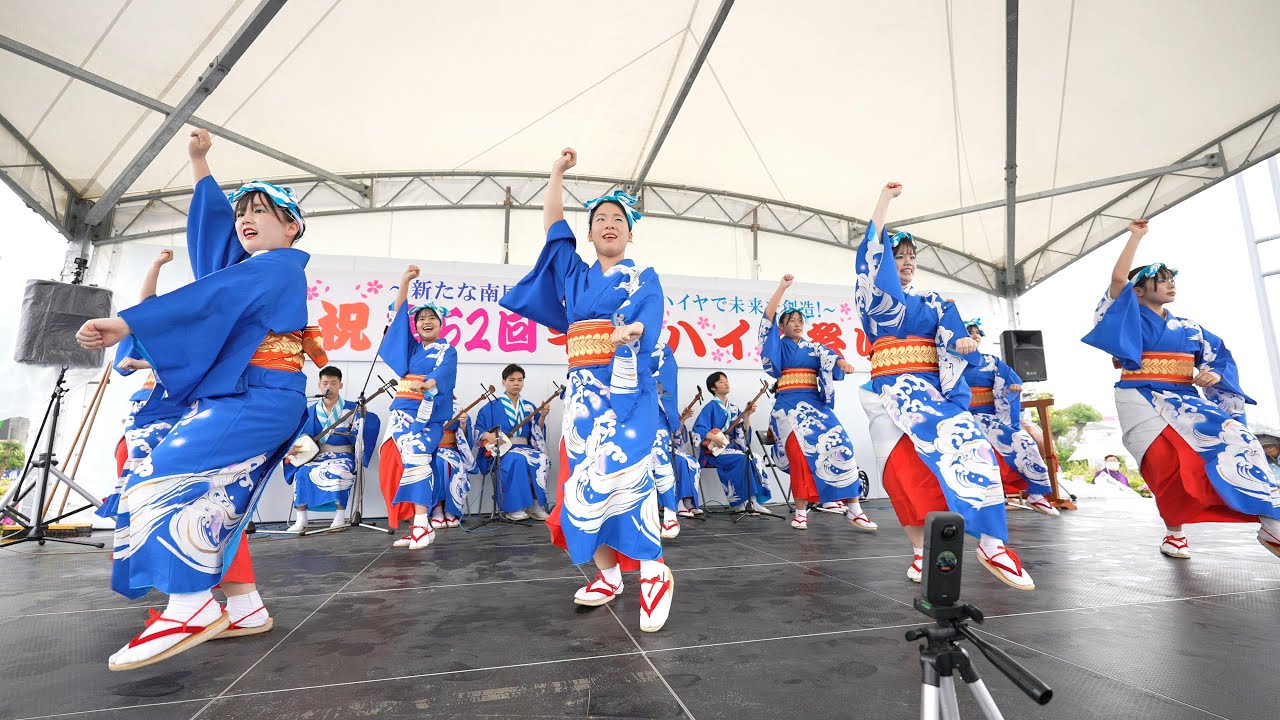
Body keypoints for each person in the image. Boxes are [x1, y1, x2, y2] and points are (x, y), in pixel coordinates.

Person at [74, 128, 322, 669]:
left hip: (256, 397)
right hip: (247, 395)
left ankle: (189, 606)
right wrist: (198, 162)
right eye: (241, 214)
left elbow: (213, 294)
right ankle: (246, 606)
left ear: (292, 226)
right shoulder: (252, 265)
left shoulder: (277, 266)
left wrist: (126, 323)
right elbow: (216, 245)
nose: (244, 219)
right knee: (215, 496)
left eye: (261, 211)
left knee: (160, 477)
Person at [499, 147, 673, 632]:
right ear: (591, 231)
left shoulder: (643, 277)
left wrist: (631, 336)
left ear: (631, 231)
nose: (609, 224)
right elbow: (555, 230)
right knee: (579, 483)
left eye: (618, 219)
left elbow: (649, 319)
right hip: (582, 396)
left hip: (626, 389)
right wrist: (555, 173)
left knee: (625, 477)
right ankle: (610, 575)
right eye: (600, 219)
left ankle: (655, 573)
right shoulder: (576, 274)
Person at [856, 181, 1035, 590]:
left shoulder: (936, 302)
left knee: (968, 443)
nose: (906, 262)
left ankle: (992, 543)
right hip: (887, 391)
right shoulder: (874, 300)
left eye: (911, 257)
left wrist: (962, 342)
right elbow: (869, 251)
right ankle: (920, 553)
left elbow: (954, 340)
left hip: (928, 392)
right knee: (900, 473)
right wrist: (883, 200)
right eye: (897, 256)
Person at [1082, 219, 1280, 560]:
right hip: (1140, 393)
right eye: (1161, 280)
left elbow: (1219, 360)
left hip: (1186, 400)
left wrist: (1213, 376)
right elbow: (1118, 281)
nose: (1170, 285)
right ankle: (1174, 532)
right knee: (1164, 464)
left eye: (1172, 279)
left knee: (1240, 440)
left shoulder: (1190, 328)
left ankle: (1270, 521)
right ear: (1139, 291)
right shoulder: (1128, 316)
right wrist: (1136, 237)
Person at [759, 276, 876, 532]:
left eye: (801, 321)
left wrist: (841, 363)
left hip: (815, 405)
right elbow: (766, 322)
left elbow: (830, 357)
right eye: (792, 321)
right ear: (782, 326)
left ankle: (854, 506)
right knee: (800, 456)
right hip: (788, 407)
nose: (798, 325)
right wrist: (781, 289)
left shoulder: (815, 347)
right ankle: (801, 511)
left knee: (842, 444)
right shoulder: (777, 345)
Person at [378, 265, 458, 551]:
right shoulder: (411, 349)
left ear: (441, 323)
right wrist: (404, 282)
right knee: (394, 463)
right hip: (401, 413)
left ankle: (423, 524)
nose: (426, 321)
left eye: (431, 317)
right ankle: (415, 526)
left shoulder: (447, 349)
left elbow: (446, 373)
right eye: (421, 318)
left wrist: (429, 383)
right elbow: (399, 317)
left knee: (416, 456)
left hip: (427, 415)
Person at [960, 318, 1059, 516]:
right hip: (962, 416)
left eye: (977, 332)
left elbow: (1011, 381)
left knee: (1024, 442)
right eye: (969, 332)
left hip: (991, 417)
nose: (975, 336)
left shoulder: (991, 361)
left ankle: (1037, 494)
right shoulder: (948, 364)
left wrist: (1011, 390)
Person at [282, 366, 380, 533]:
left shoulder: (353, 408)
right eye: (325, 382)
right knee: (302, 472)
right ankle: (301, 519)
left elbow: (369, 425)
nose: (329, 386)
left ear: (340, 385)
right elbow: (300, 436)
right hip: (318, 455)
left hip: (343, 454)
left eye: (333, 383)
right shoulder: (310, 411)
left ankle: (339, 517)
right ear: (319, 385)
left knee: (339, 471)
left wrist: (363, 417)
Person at [475, 364, 551, 521]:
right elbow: (478, 431)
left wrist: (542, 415)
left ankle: (535, 504)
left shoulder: (529, 407)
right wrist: (487, 435)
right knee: (517, 459)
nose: (516, 383)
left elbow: (537, 431)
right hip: (503, 450)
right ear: (503, 382)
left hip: (525, 446)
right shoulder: (490, 407)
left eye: (520, 380)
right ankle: (514, 507)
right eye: (512, 380)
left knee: (541, 458)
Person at [692, 372, 774, 516]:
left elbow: (743, 433)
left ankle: (752, 501)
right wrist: (715, 438)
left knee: (754, 458)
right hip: (714, 453)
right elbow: (698, 429)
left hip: (729, 449)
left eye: (726, 380)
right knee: (742, 459)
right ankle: (747, 501)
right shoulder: (710, 407)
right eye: (721, 382)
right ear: (713, 388)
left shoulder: (734, 409)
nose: (726, 383)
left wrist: (747, 416)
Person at [651, 344, 694, 538]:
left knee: (659, 455)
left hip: (651, 405)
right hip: (619, 407)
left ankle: (670, 510)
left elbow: (667, 376)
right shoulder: (609, 338)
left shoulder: (659, 347)